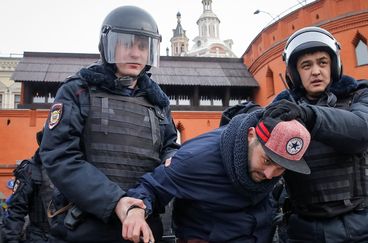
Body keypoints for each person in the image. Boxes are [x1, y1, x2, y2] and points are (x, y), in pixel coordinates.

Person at [38, 5, 179, 242]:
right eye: (127, 44)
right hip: (86, 227)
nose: (135, 54)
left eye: (143, 46)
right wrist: (116, 201)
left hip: (145, 227)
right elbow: (59, 155)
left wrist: (145, 199)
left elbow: (170, 150)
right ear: (108, 45)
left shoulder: (158, 102)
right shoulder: (78, 90)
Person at [271, 26, 368, 242]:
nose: (316, 71)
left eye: (322, 62)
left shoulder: (360, 95)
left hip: (366, 228)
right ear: (294, 73)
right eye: (306, 65)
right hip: (305, 231)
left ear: (334, 65)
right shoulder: (282, 109)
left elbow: (363, 131)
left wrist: (309, 116)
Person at [120, 107, 312, 243]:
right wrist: (136, 211)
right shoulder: (195, 159)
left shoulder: (268, 165)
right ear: (251, 135)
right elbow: (150, 186)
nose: (270, 175)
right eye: (267, 161)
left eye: (281, 168)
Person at [1, 131, 53, 243]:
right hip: (39, 237)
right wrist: (11, 239)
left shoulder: (72, 168)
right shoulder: (30, 169)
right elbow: (15, 211)